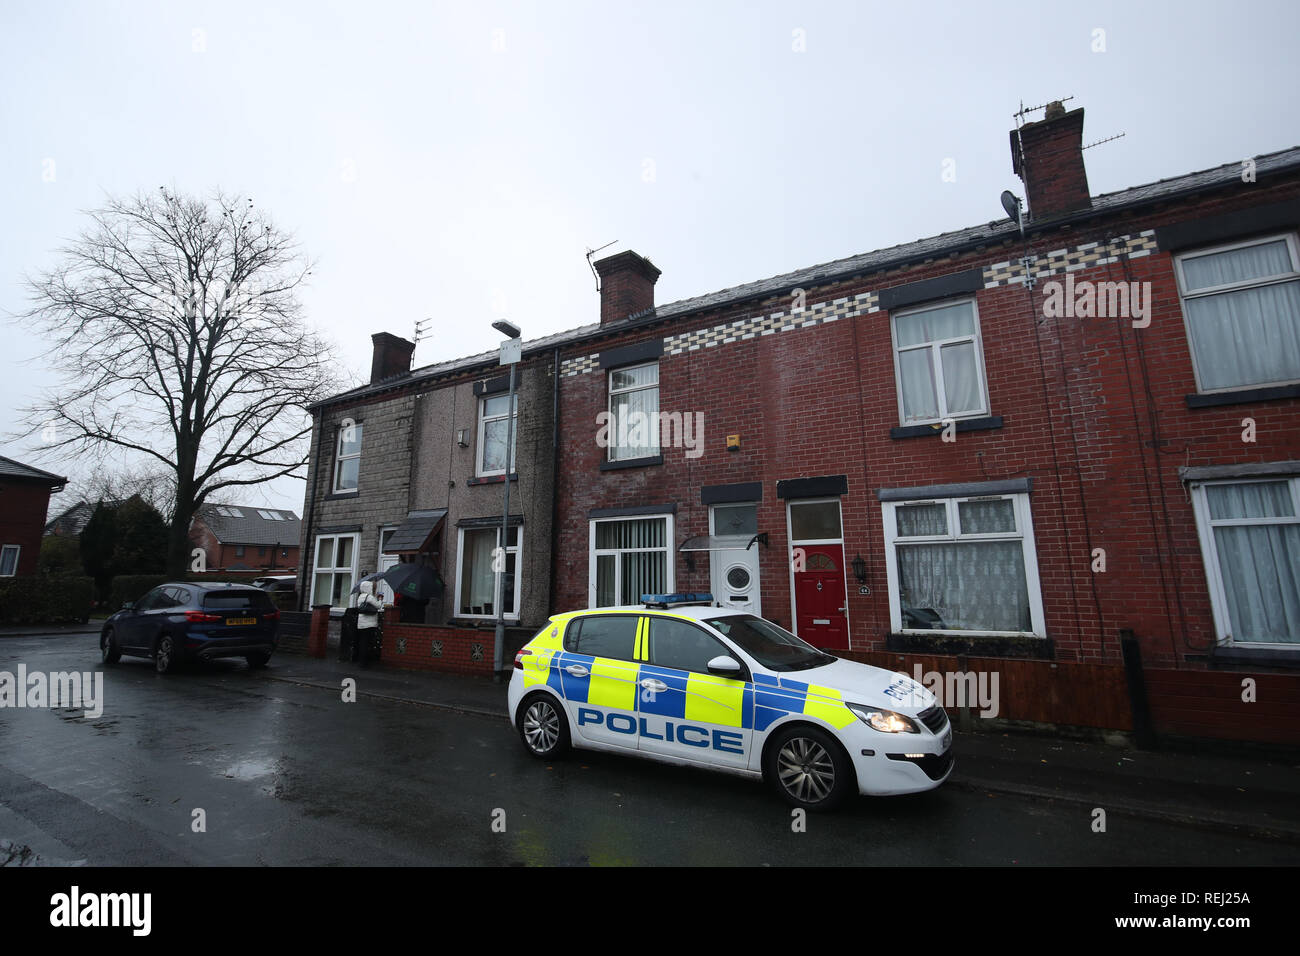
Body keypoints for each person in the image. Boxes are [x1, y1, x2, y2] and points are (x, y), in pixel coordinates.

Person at [355, 579, 383, 666]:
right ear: (368, 588)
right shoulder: (370, 597)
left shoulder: (360, 597)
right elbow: (378, 606)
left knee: (362, 642)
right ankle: (365, 662)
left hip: (361, 623)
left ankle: (361, 661)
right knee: (368, 642)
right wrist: (380, 599)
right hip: (369, 624)